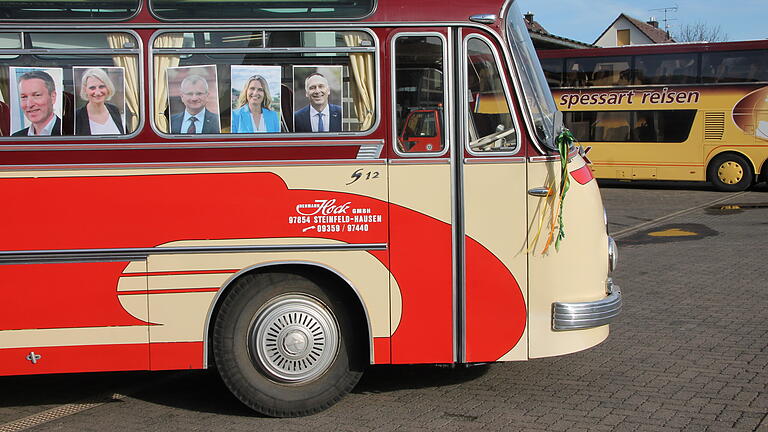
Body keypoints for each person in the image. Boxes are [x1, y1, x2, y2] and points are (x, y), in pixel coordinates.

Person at [75, 68, 125, 135]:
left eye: (101, 87)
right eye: (92, 88)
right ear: (85, 90)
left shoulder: (114, 110)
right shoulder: (76, 116)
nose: (98, 92)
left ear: (108, 88)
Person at [12, 70, 62, 136]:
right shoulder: (16, 137)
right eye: (24, 97)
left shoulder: (70, 132)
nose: (29, 104)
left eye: (37, 95)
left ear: (53, 97)